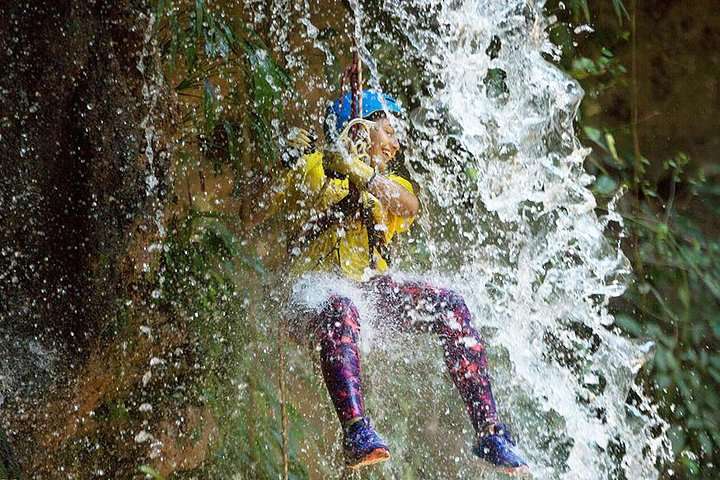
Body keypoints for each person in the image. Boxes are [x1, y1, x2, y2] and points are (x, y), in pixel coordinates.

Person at [282, 89, 529, 475]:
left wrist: (362, 171)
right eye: (389, 132)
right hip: (309, 297)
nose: (396, 145)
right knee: (339, 306)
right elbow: (311, 183)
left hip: (363, 292)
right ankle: (355, 432)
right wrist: (341, 161)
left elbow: (405, 204)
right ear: (361, 129)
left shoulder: (390, 182)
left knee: (450, 304)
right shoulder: (316, 165)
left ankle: (490, 431)